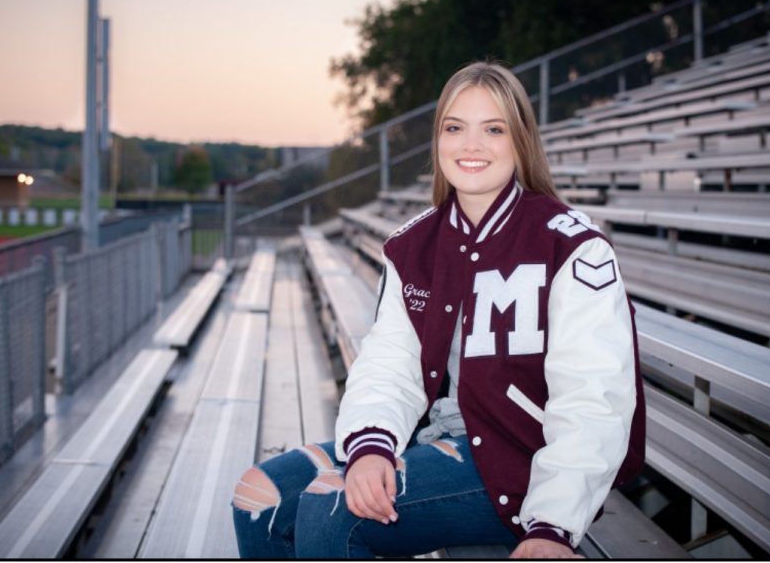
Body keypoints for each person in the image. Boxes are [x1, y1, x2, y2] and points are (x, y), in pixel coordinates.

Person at [232, 61, 645, 559]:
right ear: (438, 140)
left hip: (525, 462)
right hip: (440, 437)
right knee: (259, 497)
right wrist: (370, 447)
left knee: (332, 508)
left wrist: (553, 524)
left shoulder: (572, 246)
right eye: (455, 127)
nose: (471, 145)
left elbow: (594, 398)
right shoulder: (414, 245)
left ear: (521, 140)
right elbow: (391, 364)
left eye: (493, 129)